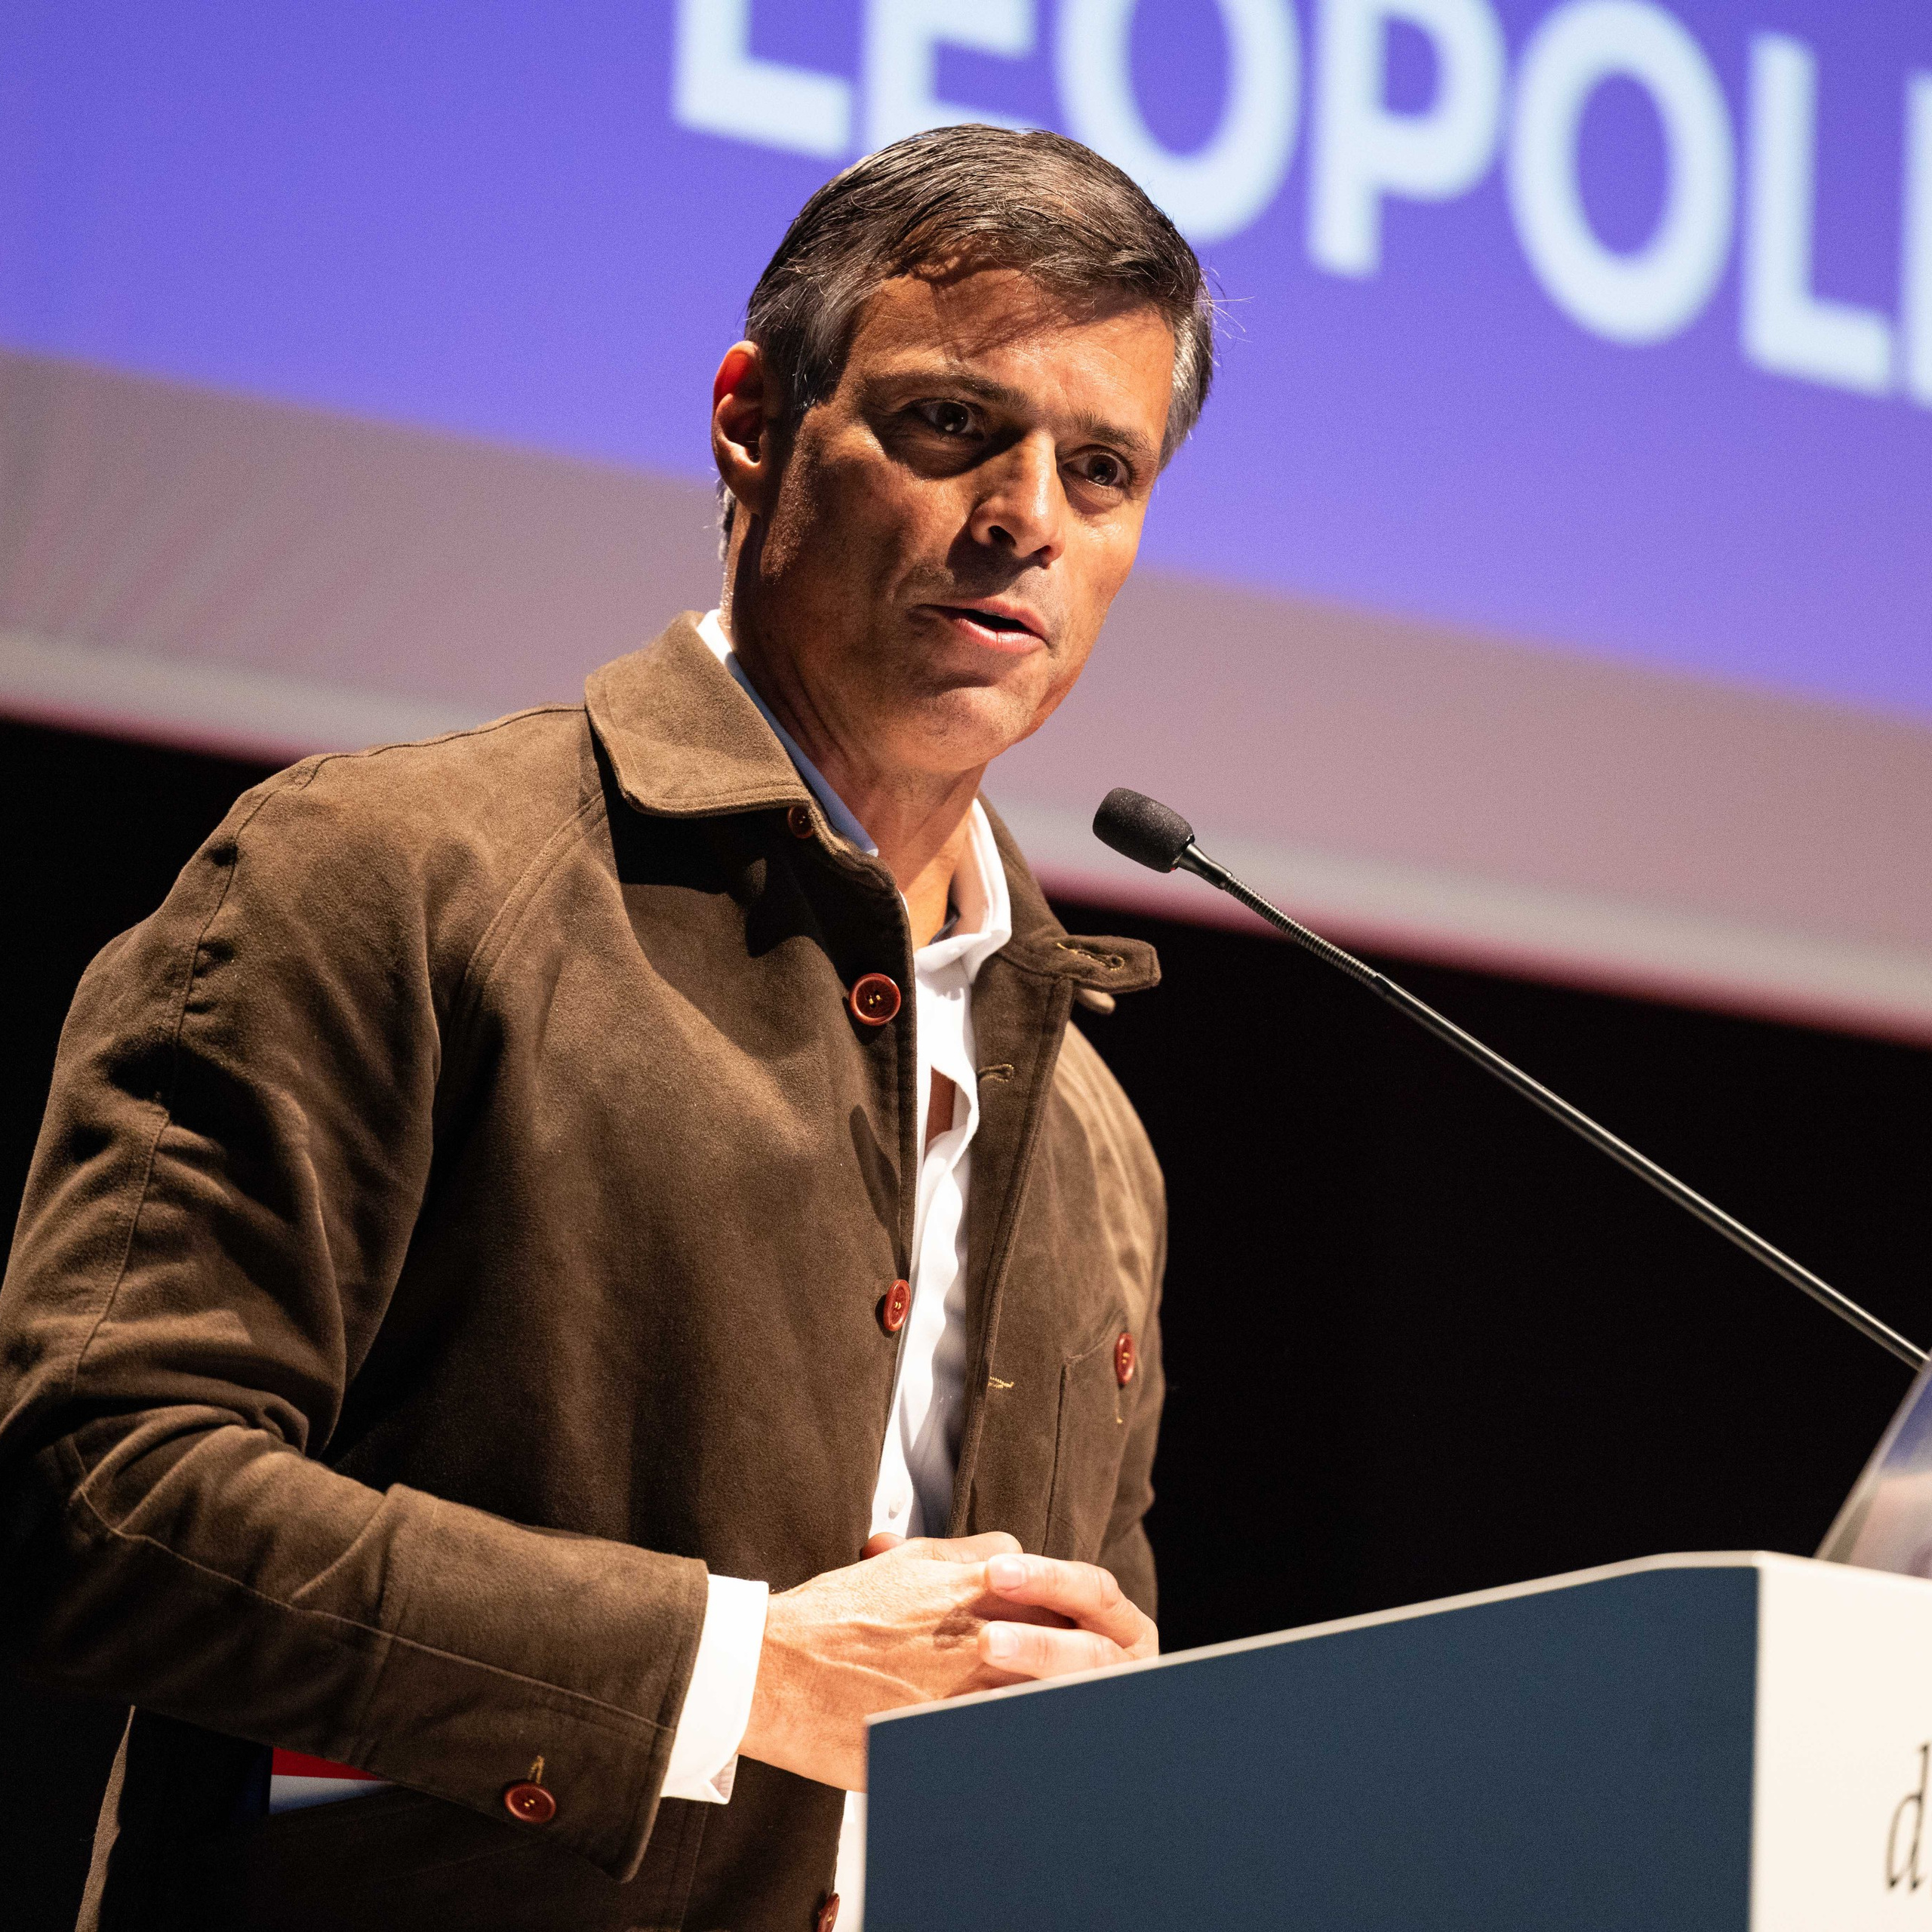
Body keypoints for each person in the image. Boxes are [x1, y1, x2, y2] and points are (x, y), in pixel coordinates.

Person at [0, 124, 1214, 1931]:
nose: (1026, 515)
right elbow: (95, 1490)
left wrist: (1121, 1729)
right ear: (749, 419)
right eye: (953, 423)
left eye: (1099, 468)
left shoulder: (1096, 1130)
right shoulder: (383, 873)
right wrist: (731, 1672)